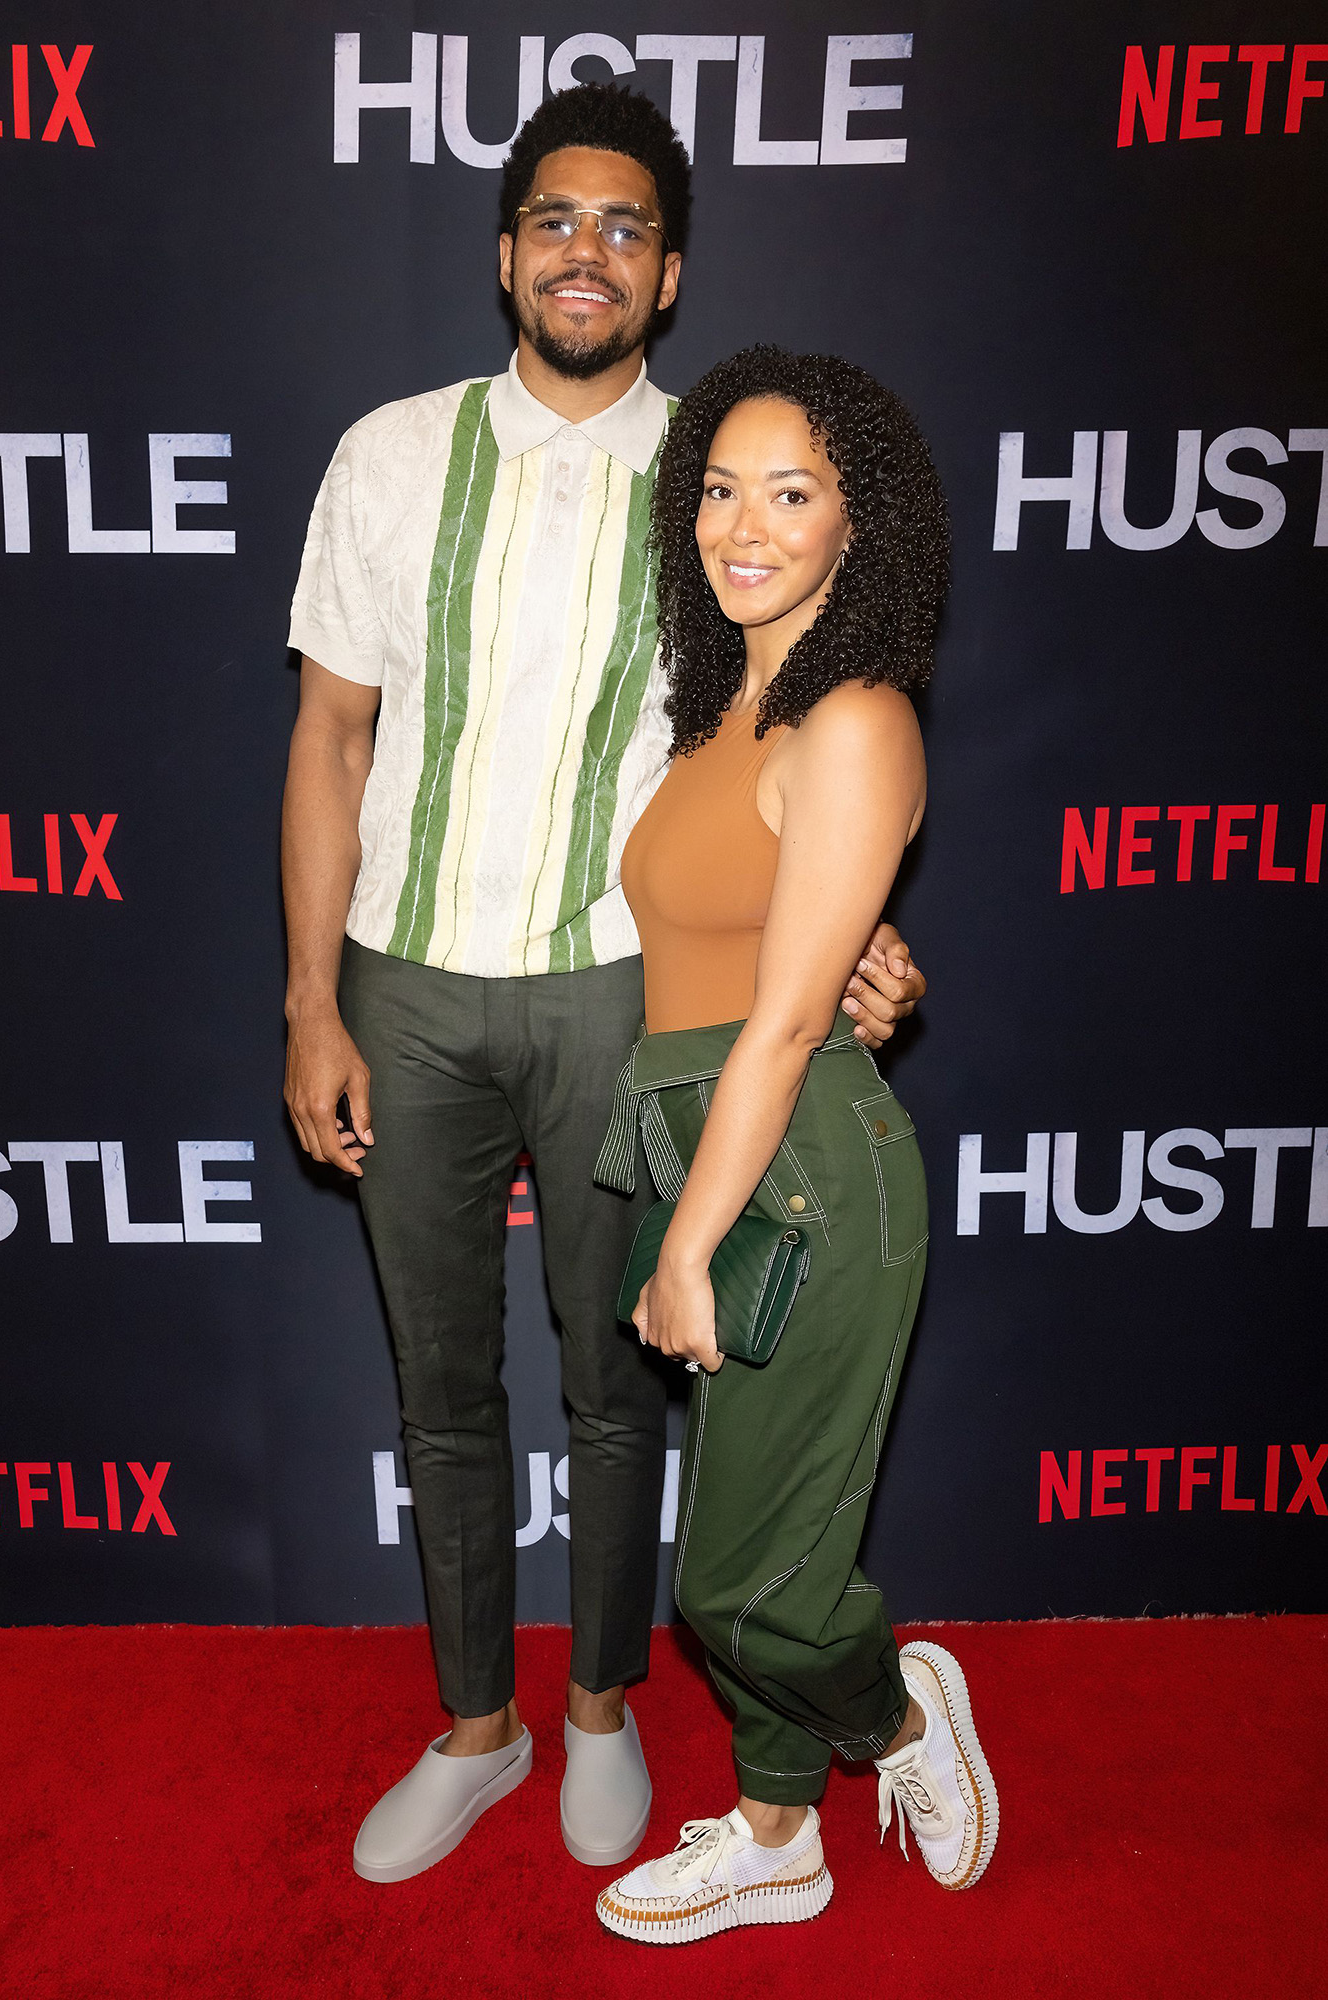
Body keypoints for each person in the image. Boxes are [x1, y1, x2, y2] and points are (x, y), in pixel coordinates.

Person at [281, 85, 928, 1885]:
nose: (589, 252)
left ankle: (598, 1711)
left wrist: (848, 931)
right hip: (404, 987)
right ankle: (476, 1725)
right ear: (506, 255)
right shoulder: (389, 454)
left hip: (617, 1002)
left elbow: (787, 744)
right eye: (557, 220)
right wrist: (311, 999)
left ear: (669, 274)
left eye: (627, 227)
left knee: (617, 1380)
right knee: (438, 1387)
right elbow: (329, 740)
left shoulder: (716, 487)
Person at [594, 346, 997, 1946]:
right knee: (755, 1534)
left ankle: (898, 1714)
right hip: (726, 1132)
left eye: (790, 492)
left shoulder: (855, 718)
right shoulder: (727, 708)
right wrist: (861, 978)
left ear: (858, 522)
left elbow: (778, 1027)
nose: (741, 526)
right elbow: (786, 955)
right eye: (717, 489)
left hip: (803, 1168)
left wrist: (691, 1243)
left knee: (732, 1587)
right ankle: (776, 1837)